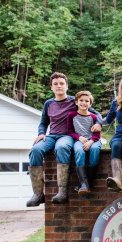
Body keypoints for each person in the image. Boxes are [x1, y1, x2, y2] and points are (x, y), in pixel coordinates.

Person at [26, 72, 101, 206]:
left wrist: (98, 124)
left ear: (66, 86)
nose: (59, 86)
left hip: (67, 136)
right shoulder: (48, 104)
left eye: (62, 83)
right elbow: (43, 122)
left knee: (61, 147)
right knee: (35, 150)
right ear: (51, 87)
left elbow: (96, 113)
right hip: (51, 135)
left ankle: (62, 192)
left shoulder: (74, 101)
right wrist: (41, 133)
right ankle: (38, 194)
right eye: (55, 84)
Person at [67, 91, 101, 195]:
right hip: (79, 140)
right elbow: (70, 131)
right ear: (76, 102)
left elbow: (97, 134)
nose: (84, 103)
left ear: (90, 104)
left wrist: (91, 142)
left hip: (93, 140)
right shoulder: (71, 115)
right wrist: (79, 137)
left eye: (87, 101)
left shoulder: (94, 117)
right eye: (81, 100)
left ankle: (86, 183)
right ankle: (84, 183)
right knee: (78, 150)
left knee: (95, 149)